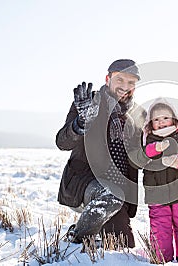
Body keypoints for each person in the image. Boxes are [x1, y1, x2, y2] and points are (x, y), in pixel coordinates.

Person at [55, 59, 147, 247]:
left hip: (120, 191)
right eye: (120, 80)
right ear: (108, 79)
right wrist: (81, 123)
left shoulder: (139, 114)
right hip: (84, 182)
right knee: (111, 194)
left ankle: (94, 228)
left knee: (123, 247)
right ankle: (76, 239)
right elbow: (62, 142)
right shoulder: (89, 103)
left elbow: (141, 157)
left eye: (131, 82)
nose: (125, 86)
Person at [142, 98, 178, 263]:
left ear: (174, 118)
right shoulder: (148, 138)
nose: (162, 122)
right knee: (160, 226)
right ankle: (161, 258)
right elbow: (143, 156)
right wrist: (156, 148)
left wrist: (177, 161)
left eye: (165, 118)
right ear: (151, 123)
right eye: (156, 119)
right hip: (156, 192)